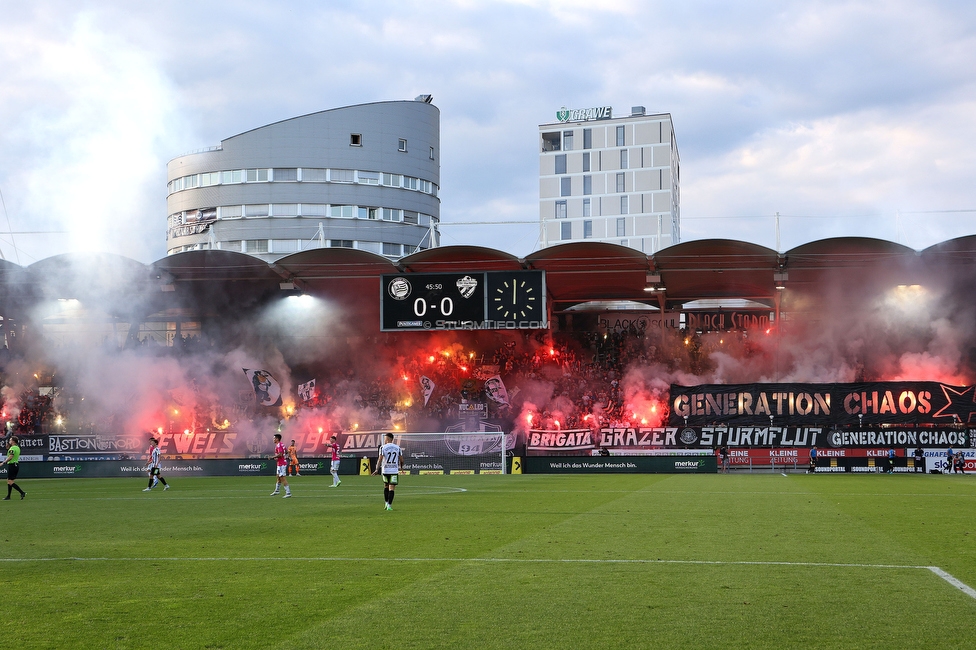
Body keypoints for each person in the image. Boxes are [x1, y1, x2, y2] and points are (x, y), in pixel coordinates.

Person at [371, 432, 403, 510]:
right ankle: (389, 505)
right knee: (391, 488)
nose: (385, 440)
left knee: (386, 486)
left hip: (385, 470)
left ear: (388, 438)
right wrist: (401, 467)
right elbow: (401, 459)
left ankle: (386, 503)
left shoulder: (382, 447)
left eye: (385, 438)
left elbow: (380, 459)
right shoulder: (398, 447)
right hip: (394, 471)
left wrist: (376, 469)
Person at [1, 435, 26, 500]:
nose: (9, 441)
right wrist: (8, 448)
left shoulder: (12, 448)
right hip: (15, 465)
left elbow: (11, 456)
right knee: (9, 481)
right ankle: (8, 496)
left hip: (12, 465)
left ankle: (22, 492)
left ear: (13, 441)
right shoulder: (17, 448)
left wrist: (3, 462)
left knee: (10, 481)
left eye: (10, 440)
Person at [271, 433, 291, 498]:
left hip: (282, 464)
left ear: (277, 439)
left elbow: (280, 454)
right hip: (280, 463)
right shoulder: (282, 444)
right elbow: (286, 452)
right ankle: (277, 490)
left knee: (282, 477)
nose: (273, 439)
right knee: (278, 476)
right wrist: (285, 456)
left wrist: (273, 457)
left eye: (274, 438)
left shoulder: (279, 445)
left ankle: (288, 493)